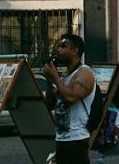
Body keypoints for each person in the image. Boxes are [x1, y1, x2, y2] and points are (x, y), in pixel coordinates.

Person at [42, 33, 97, 164]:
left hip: (77, 139)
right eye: (58, 46)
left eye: (63, 46)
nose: (58, 50)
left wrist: (55, 77)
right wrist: (50, 81)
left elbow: (71, 97)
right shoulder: (66, 76)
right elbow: (49, 105)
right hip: (61, 139)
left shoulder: (85, 72)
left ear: (75, 51)